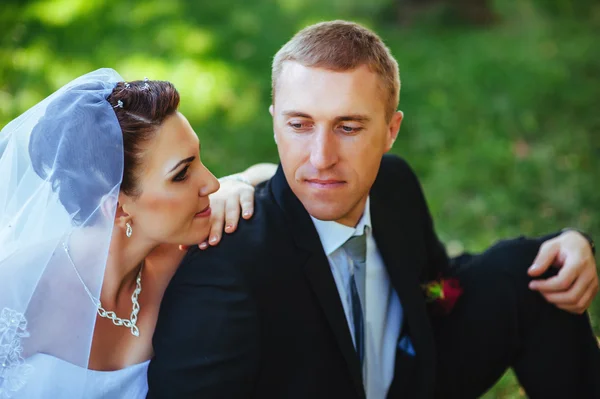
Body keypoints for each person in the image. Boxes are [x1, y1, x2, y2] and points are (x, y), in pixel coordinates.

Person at [148, 21, 600, 398]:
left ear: (390, 130)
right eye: (300, 125)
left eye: (347, 127)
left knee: (539, 272)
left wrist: (565, 247)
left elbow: (435, 289)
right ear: (274, 123)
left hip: (409, 379)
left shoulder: (393, 184)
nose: (321, 157)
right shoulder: (225, 271)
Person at [0, 68, 276, 398]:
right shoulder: (17, 292)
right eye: (182, 174)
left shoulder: (178, 254)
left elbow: (269, 173)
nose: (212, 183)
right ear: (117, 208)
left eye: (198, 160)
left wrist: (240, 182)